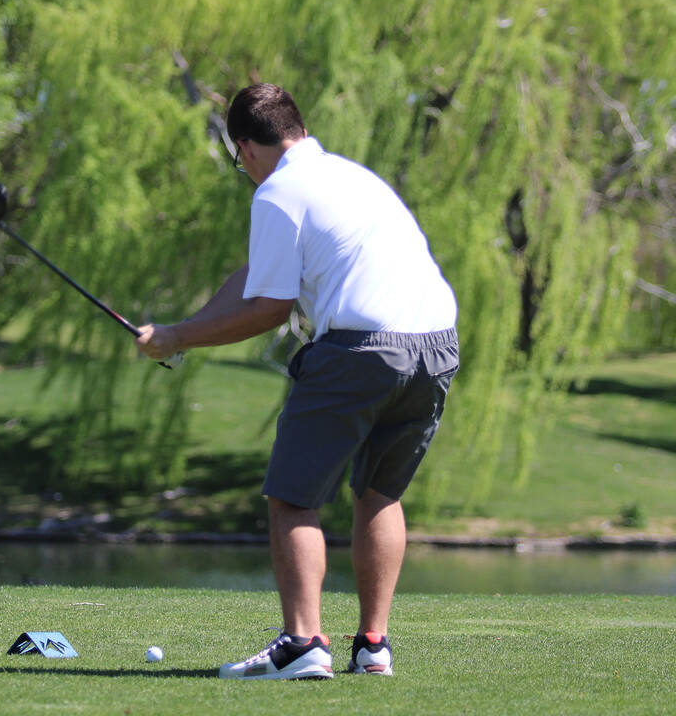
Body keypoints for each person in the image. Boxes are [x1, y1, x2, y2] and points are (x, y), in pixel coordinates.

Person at [136, 83, 458, 680]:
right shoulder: (351, 177)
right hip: (435, 345)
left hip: (361, 349)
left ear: (245, 148)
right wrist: (182, 327)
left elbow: (268, 308)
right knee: (379, 494)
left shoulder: (278, 192)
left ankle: (303, 642)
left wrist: (180, 340)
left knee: (292, 495)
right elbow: (256, 277)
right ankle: (373, 645)